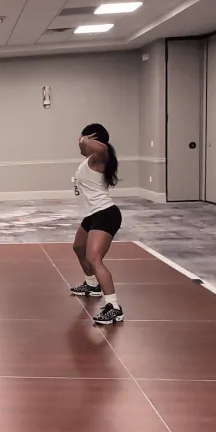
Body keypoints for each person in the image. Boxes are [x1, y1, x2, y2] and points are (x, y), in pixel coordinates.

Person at [69, 123, 124, 325]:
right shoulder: (90, 160)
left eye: (82, 140)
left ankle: (114, 308)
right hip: (92, 214)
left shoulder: (100, 157)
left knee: (94, 258)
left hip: (105, 214)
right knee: (78, 247)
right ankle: (92, 285)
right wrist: (84, 141)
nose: (79, 144)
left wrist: (85, 139)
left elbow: (102, 147)